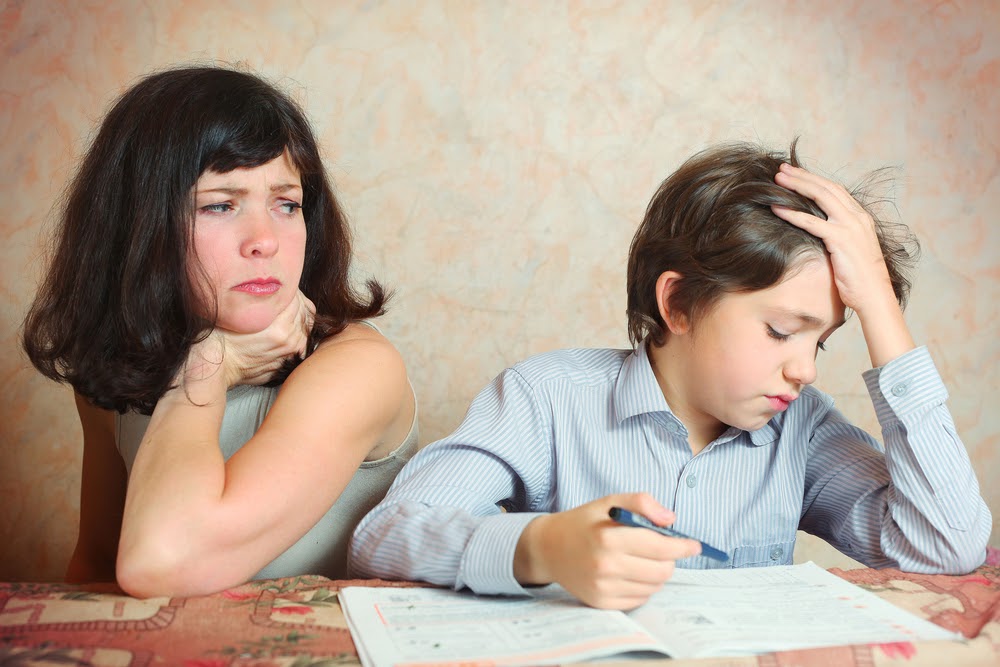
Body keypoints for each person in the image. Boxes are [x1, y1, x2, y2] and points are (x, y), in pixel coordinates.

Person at [349, 140, 991, 610]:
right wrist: (540, 546)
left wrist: (880, 308)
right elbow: (383, 535)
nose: (804, 368)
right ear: (678, 303)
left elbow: (947, 545)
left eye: (822, 341)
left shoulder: (806, 429)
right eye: (779, 330)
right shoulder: (545, 398)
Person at [22, 65, 417, 598]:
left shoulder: (358, 368)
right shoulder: (115, 376)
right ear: (138, 225)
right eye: (220, 205)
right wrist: (209, 356)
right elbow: (96, 567)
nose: (265, 241)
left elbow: (162, 563)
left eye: (287, 203)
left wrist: (207, 368)